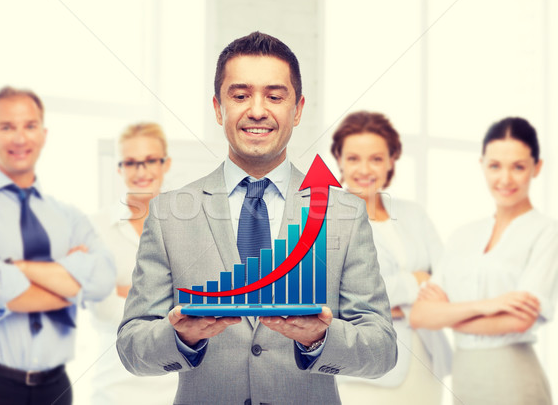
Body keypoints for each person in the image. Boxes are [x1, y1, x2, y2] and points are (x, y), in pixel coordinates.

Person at [116, 31, 397, 405]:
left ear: (297, 110)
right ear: (218, 108)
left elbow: (382, 350)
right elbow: (131, 347)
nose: (258, 110)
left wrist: (319, 339)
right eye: (240, 95)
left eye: (275, 96)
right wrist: (182, 337)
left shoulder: (343, 214)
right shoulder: (168, 214)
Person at [0, 86, 116, 405]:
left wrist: (16, 268)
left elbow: (102, 281)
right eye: (7, 127)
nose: (20, 139)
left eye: (29, 126)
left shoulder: (69, 216)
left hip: (55, 388)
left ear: (43, 135)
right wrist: (70, 281)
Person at [410, 117, 558, 405]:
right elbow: (420, 315)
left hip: (514, 377)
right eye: (495, 166)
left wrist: (448, 313)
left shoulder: (546, 232)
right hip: (465, 377)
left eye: (518, 166)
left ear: (536, 168)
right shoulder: (462, 236)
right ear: (482, 165)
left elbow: (519, 319)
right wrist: (488, 306)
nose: (505, 179)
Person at [330, 111, 452, 404]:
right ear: (340, 161)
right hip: (365, 371)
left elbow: (447, 279)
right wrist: (415, 284)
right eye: (354, 158)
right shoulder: (326, 220)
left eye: (376, 158)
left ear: (391, 161)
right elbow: (335, 298)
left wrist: (389, 302)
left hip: (425, 364)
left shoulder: (413, 214)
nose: (364, 169)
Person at [88, 122, 177, 405]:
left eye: (150, 160)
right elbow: (102, 308)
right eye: (131, 163)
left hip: (178, 384)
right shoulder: (96, 227)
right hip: (115, 387)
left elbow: (206, 300)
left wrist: (128, 291)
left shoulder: (190, 224)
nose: (141, 172)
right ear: (119, 168)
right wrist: (169, 296)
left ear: (166, 164)